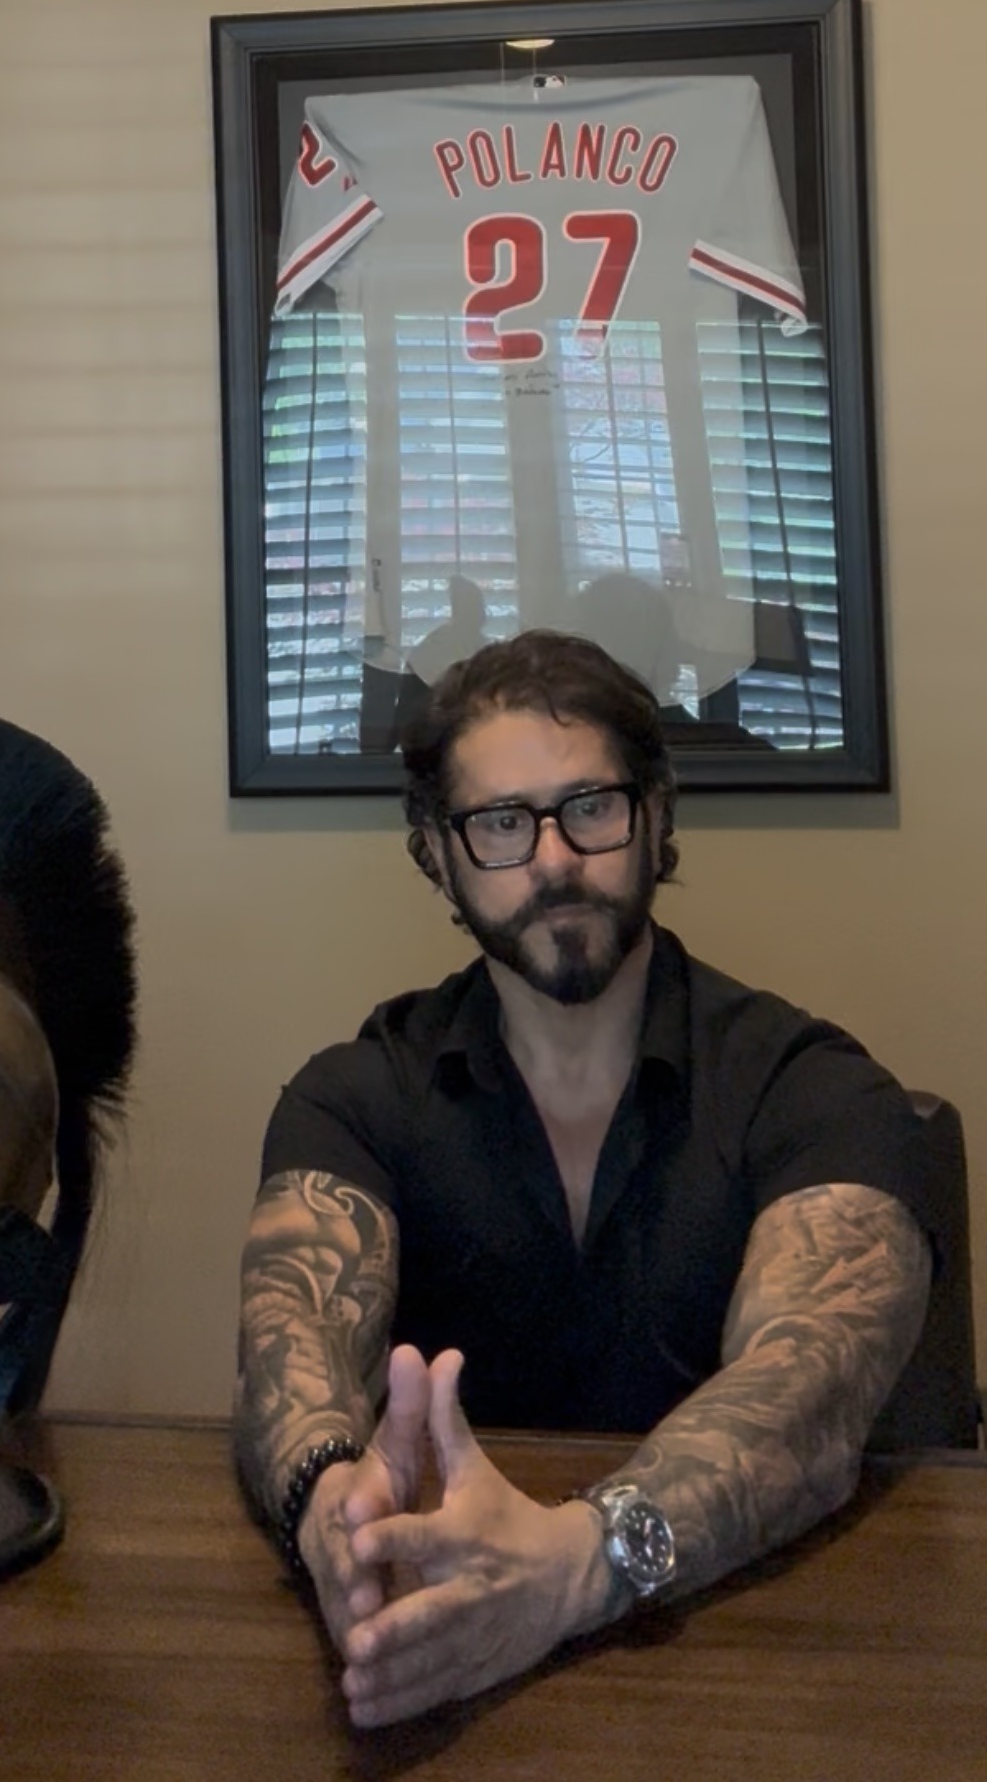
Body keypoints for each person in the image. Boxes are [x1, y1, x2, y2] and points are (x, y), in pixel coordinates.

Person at [232, 629, 932, 1729]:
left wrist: (579, 1559)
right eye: (502, 822)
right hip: (441, 1655)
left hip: (742, 1666)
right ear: (438, 855)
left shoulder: (814, 1087)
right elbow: (291, 1349)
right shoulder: (351, 1098)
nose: (554, 858)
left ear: (656, 816)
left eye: (591, 806)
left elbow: (814, 1388)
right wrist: (336, 1508)